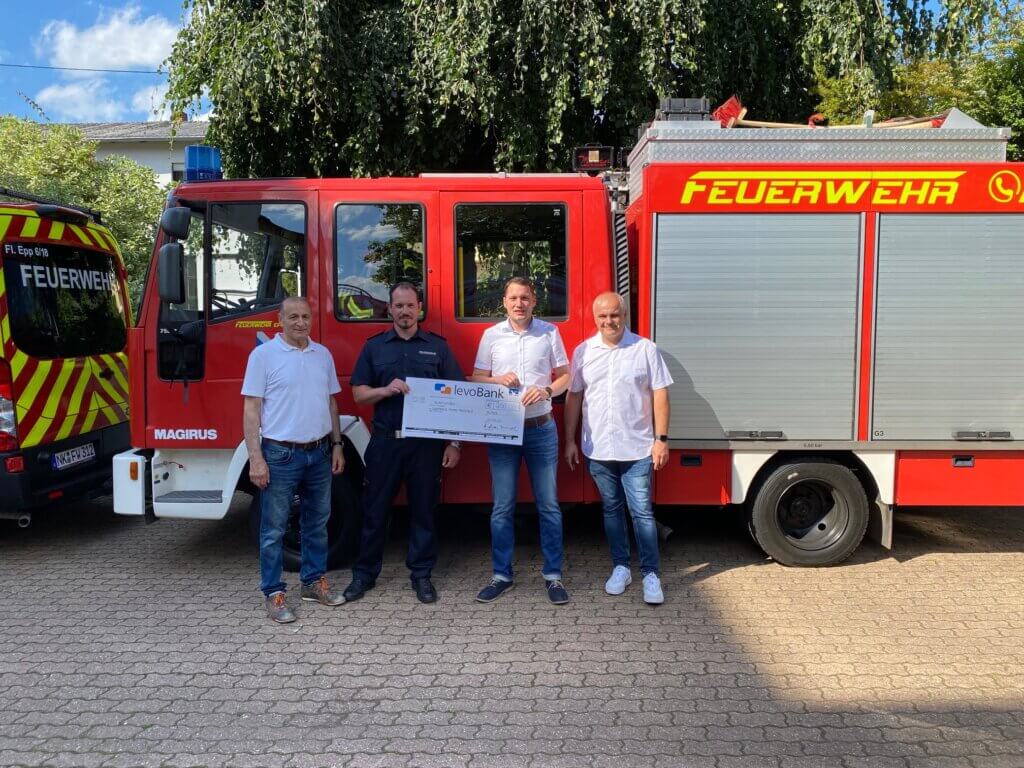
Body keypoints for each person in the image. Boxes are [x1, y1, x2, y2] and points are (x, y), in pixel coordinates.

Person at [343, 282, 463, 604]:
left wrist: (454, 443)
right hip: (385, 443)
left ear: (419, 308)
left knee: (424, 512)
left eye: (410, 306)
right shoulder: (374, 347)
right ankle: (364, 574)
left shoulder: (438, 348)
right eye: (399, 306)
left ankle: (421, 575)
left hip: (426, 445)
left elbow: (457, 397)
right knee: (374, 511)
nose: (405, 311)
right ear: (390, 309)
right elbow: (359, 394)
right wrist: (385, 390)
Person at [563, 292, 674, 605]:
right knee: (611, 510)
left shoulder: (645, 349)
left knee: (642, 512)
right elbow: (574, 396)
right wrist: (569, 440)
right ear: (595, 318)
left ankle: (650, 574)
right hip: (598, 449)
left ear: (624, 316)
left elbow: (661, 394)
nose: (609, 321)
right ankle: (621, 568)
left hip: (638, 448)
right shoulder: (583, 351)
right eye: (603, 316)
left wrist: (661, 439)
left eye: (614, 315)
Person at [242, 296, 347, 624]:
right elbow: (251, 409)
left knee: (317, 524)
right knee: (273, 529)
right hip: (280, 454)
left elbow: (331, 403)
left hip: (319, 452)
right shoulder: (263, 356)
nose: (300, 322)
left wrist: (337, 445)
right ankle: (273, 593)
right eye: (293, 317)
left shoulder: (322, 355)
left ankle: (313, 583)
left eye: (305, 316)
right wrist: (256, 459)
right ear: (280, 320)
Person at [471, 277, 571, 605]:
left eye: (525, 298)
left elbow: (566, 375)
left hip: (541, 428)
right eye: (513, 298)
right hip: (502, 430)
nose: (519, 304)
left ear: (533, 301)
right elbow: (476, 378)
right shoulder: (491, 335)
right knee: (502, 507)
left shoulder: (549, 332)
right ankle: (502, 575)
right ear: (504, 302)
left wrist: (547, 390)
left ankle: (553, 576)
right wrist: (497, 379)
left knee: (549, 506)